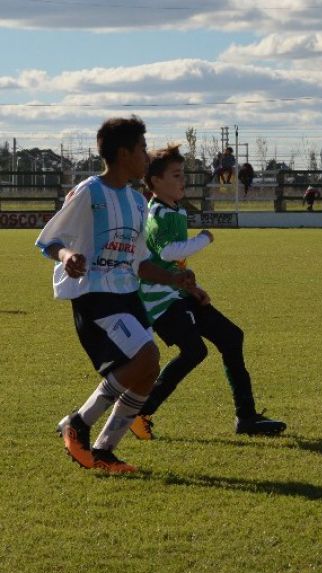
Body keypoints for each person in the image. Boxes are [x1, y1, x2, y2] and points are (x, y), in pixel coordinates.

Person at [38, 116, 197, 473]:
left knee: (147, 368)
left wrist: (178, 280)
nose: (146, 155)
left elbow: (139, 262)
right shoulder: (89, 192)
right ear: (124, 154)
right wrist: (67, 256)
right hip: (95, 295)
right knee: (146, 356)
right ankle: (78, 423)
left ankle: (105, 450)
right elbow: (48, 242)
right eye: (142, 148)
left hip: (127, 295)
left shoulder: (138, 202)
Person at [129, 144, 287, 440]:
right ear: (155, 182)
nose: (182, 181)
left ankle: (247, 417)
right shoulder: (160, 213)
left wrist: (193, 288)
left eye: (183, 174)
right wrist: (203, 239)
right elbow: (169, 250)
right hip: (160, 300)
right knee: (194, 351)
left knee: (232, 337)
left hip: (177, 293)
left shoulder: (173, 210)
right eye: (176, 175)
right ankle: (141, 411)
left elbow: (169, 262)